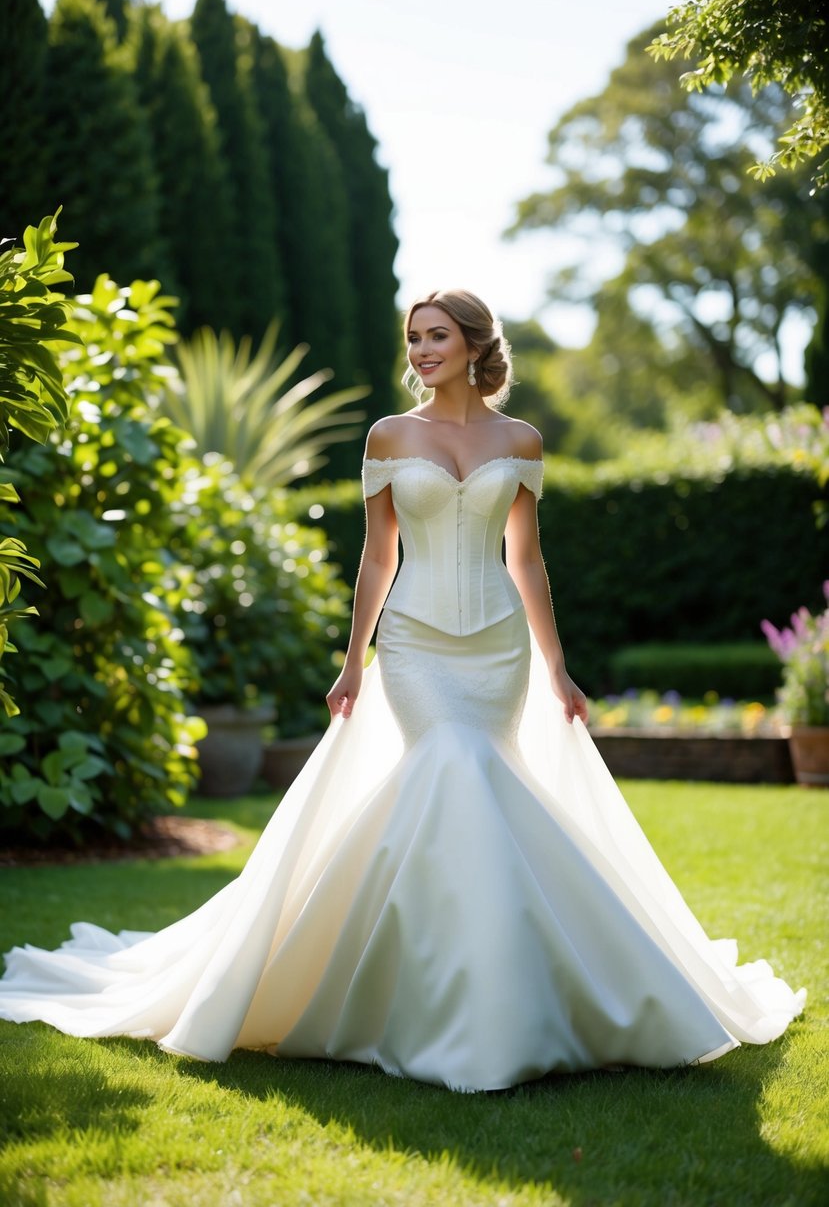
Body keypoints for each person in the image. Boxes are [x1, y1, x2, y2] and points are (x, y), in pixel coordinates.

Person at [0, 289, 805, 1093]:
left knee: (484, 786)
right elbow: (377, 558)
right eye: (413, 338)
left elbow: (524, 560)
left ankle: (499, 992)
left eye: (437, 336)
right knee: (451, 764)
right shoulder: (390, 435)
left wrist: (555, 665)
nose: (420, 350)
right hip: (415, 642)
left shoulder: (519, 439)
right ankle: (434, 1006)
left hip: (497, 648)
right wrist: (354, 660)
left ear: (473, 345)